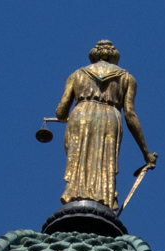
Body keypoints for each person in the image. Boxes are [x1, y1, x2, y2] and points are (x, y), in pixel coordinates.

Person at [56, 41, 155, 209]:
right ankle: (104, 199)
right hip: (110, 118)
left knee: (79, 157)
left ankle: (74, 195)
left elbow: (61, 112)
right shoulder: (127, 78)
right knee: (104, 160)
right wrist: (146, 152)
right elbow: (130, 114)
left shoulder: (77, 74)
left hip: (81, 115)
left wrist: (64, 113)